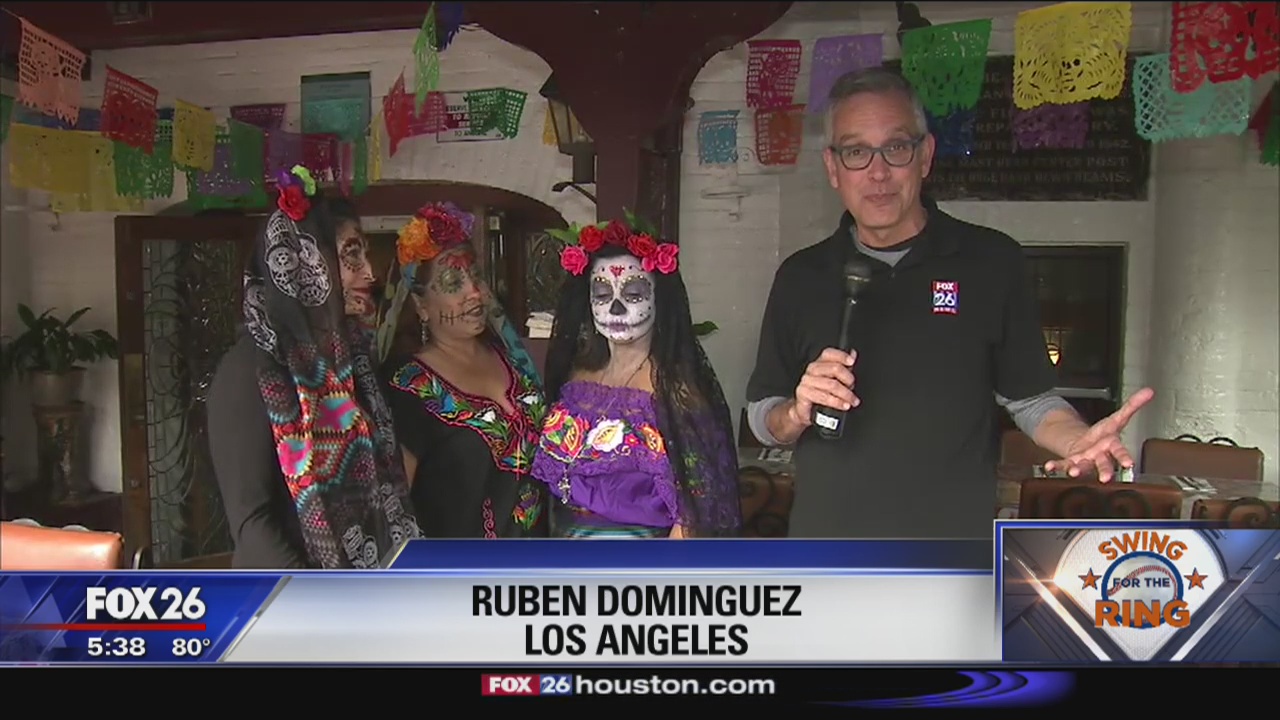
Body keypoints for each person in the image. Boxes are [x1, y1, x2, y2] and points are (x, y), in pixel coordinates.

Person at [745, 67, 1154, 539]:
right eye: (856, 151)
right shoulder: (800, 276)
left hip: (953, 552)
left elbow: (1031, 399)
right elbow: (762, 414)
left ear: (925, 156)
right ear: (832, 167)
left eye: (896, 148)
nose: (878, 172)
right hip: (829, 548)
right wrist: (795, 413)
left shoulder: (991, 260)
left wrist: (1076, 439)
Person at [208, 166, 419, 568]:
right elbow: (253, 524)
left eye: (364, 255)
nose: (370, 274)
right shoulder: (249, 370)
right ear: (306, 264)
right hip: (292, 602)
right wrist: (321, 608)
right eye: (351, 256)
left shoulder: (351, 365)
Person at [530, 213, 742, 538]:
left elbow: (698, 513)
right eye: (602, 295)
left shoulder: (677, 391)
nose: (615, 309)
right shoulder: (575, 379)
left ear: (660, 301)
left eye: (633, 294)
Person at [377, 202, 548, 538]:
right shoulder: (406, 386)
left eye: (477, 276)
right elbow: (395, 513)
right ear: (421, 306)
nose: (475, 292)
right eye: (454, 282)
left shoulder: (510, 360)